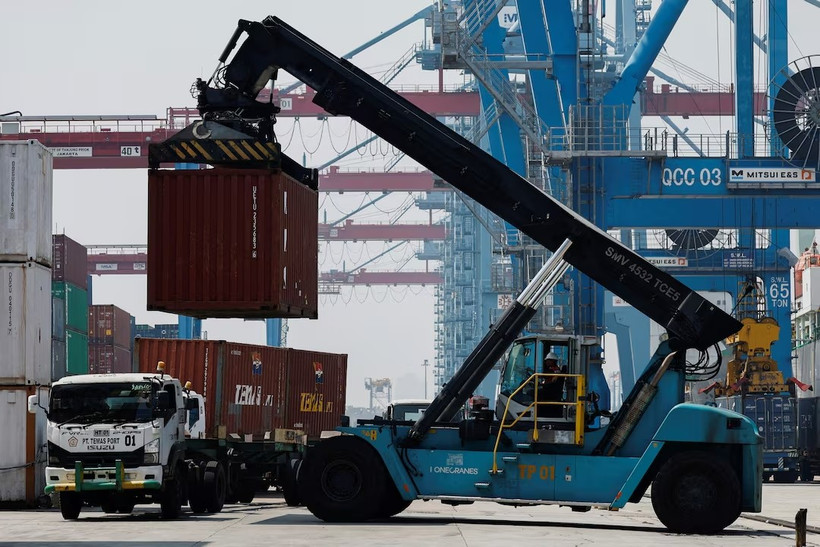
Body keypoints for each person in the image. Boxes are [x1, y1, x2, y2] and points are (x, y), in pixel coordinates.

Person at [539, 351, 565, 417]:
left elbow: (552, 381)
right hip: (549, 389)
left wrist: (541, 385)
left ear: (553, 361)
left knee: (532, 392)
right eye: (546, 361)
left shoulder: (554, 370)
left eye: (548, 360)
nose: (546, 362)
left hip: (550, 392)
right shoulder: (551, 370)